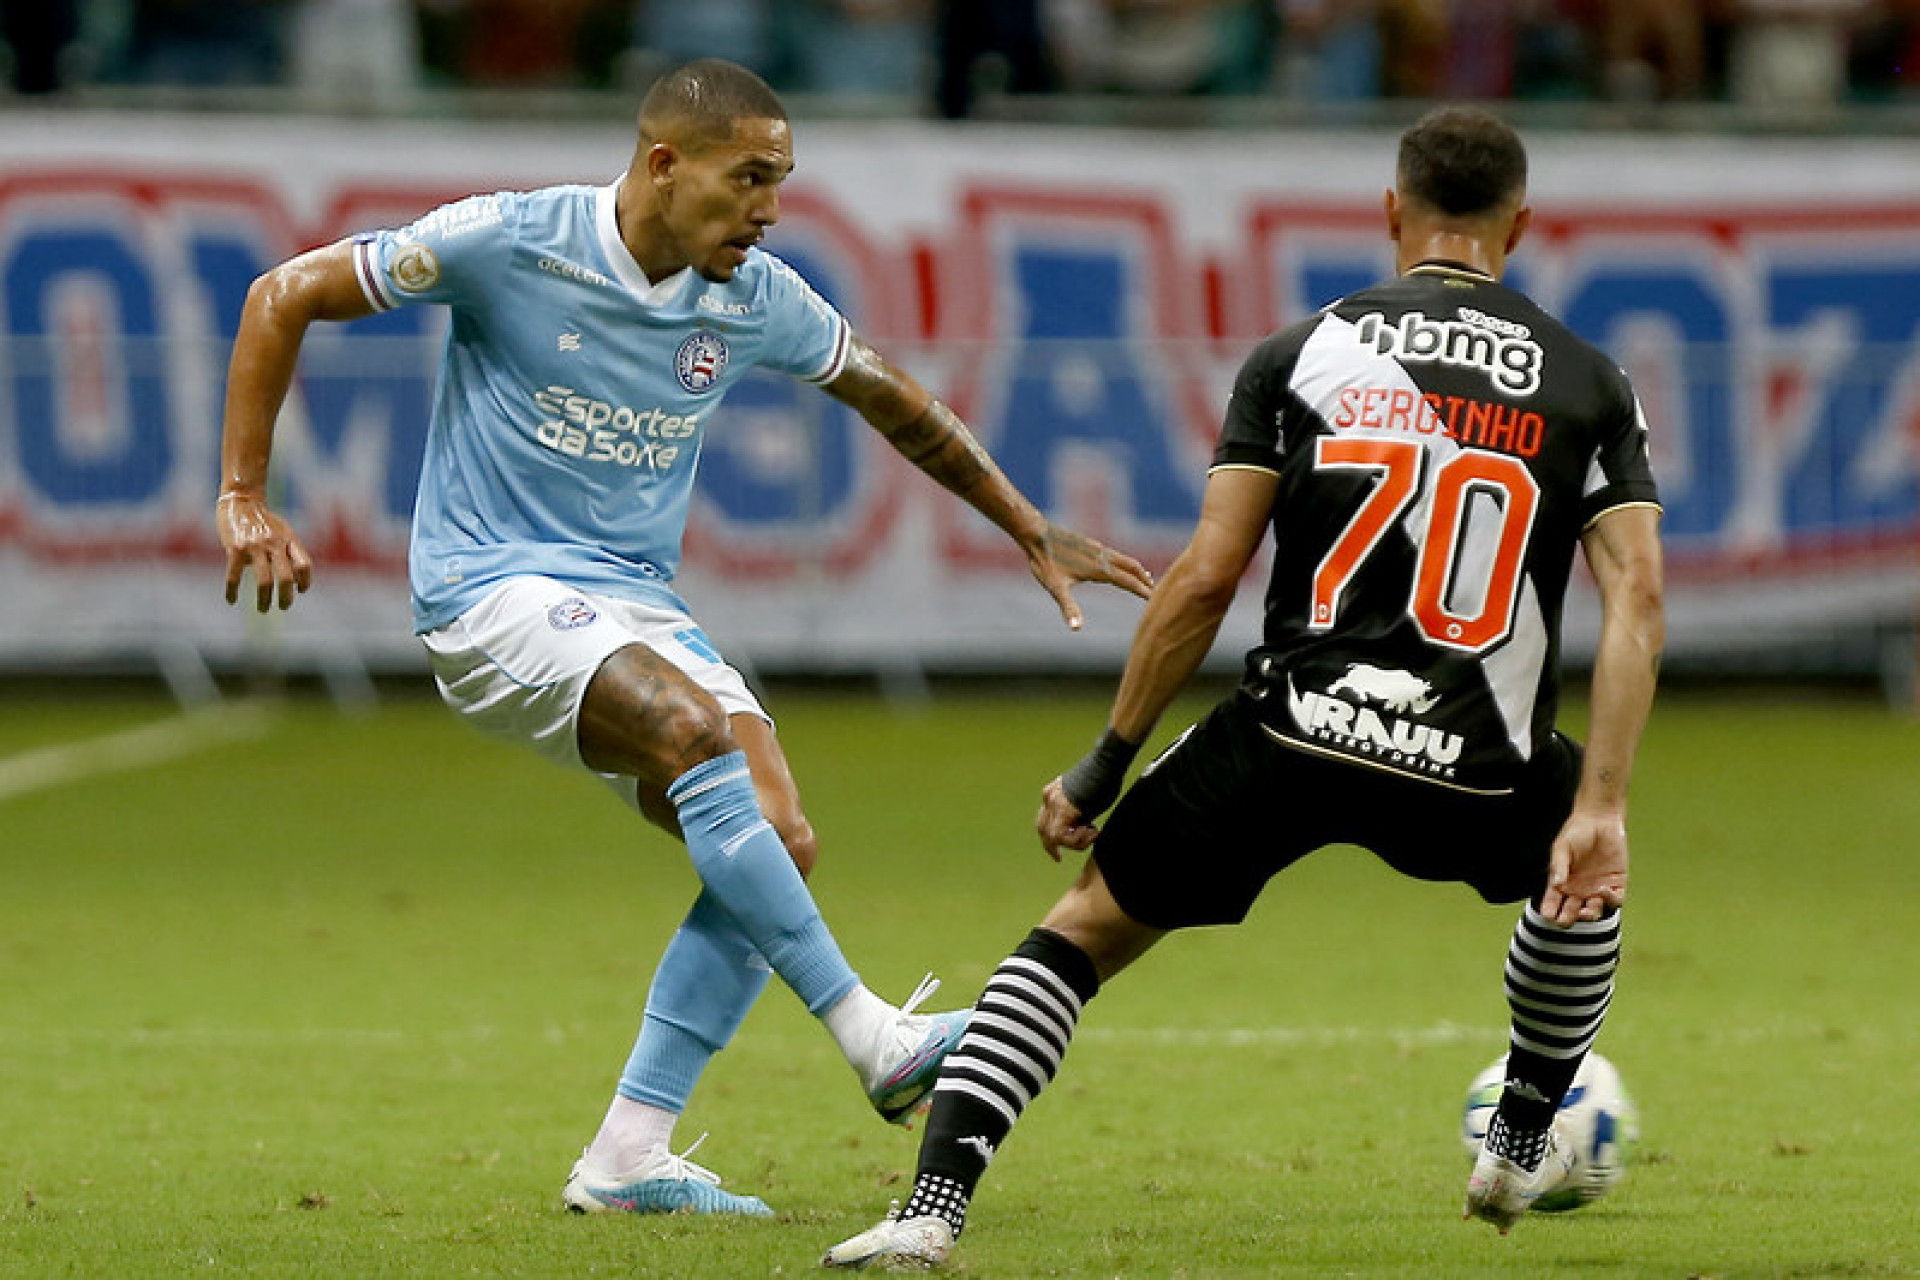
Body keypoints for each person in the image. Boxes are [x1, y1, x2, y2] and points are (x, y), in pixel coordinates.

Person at [214, 57, 1153, 1217]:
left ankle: (625, 1157)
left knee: (774, 834)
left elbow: (891, 395)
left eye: (783, 181)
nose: (768, 208)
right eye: (749, 177)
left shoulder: (753, 294)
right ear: (666, 164)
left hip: (632, 603)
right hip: (487, 589)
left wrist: (1027, 523)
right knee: (694, 730)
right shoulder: (512, 240)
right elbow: (280, 295)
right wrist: (245, 492)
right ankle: (875, 1036)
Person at [825, 104, 1665, 1268]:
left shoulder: (1300, 355)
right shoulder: (1588, 380)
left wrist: (1103, 764)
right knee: (1583, 882)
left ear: (1391, 209)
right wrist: (1603, 804)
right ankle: (1525, 1130)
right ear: (1520, 223)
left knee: (1079, 934)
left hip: (1294, 731)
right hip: (1480, 747)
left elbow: (1205, 579)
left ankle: (929, 1212)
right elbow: (1638, 602)